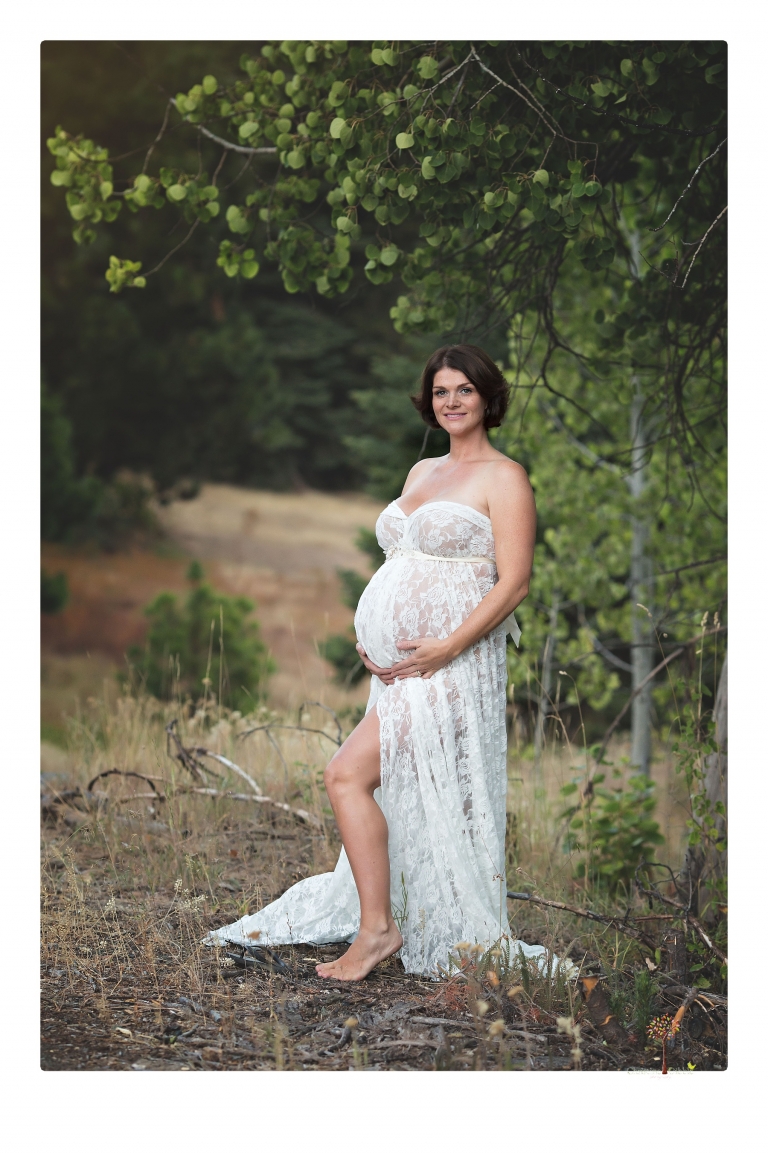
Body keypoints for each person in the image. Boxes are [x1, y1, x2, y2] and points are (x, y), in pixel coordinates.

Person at [205, 344, 555, 981]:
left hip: (453, 666)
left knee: (345, 775)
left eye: (465, 391)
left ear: (487, 399)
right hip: (397, 668)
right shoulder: (421, 474)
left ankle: (377, 932)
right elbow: (401, 564)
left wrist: (447, 645)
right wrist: (378, 634)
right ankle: (382, 921)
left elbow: (515, 584)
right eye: (441, 391)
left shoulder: (506, 479)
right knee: (376, 784)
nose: (451, 402)